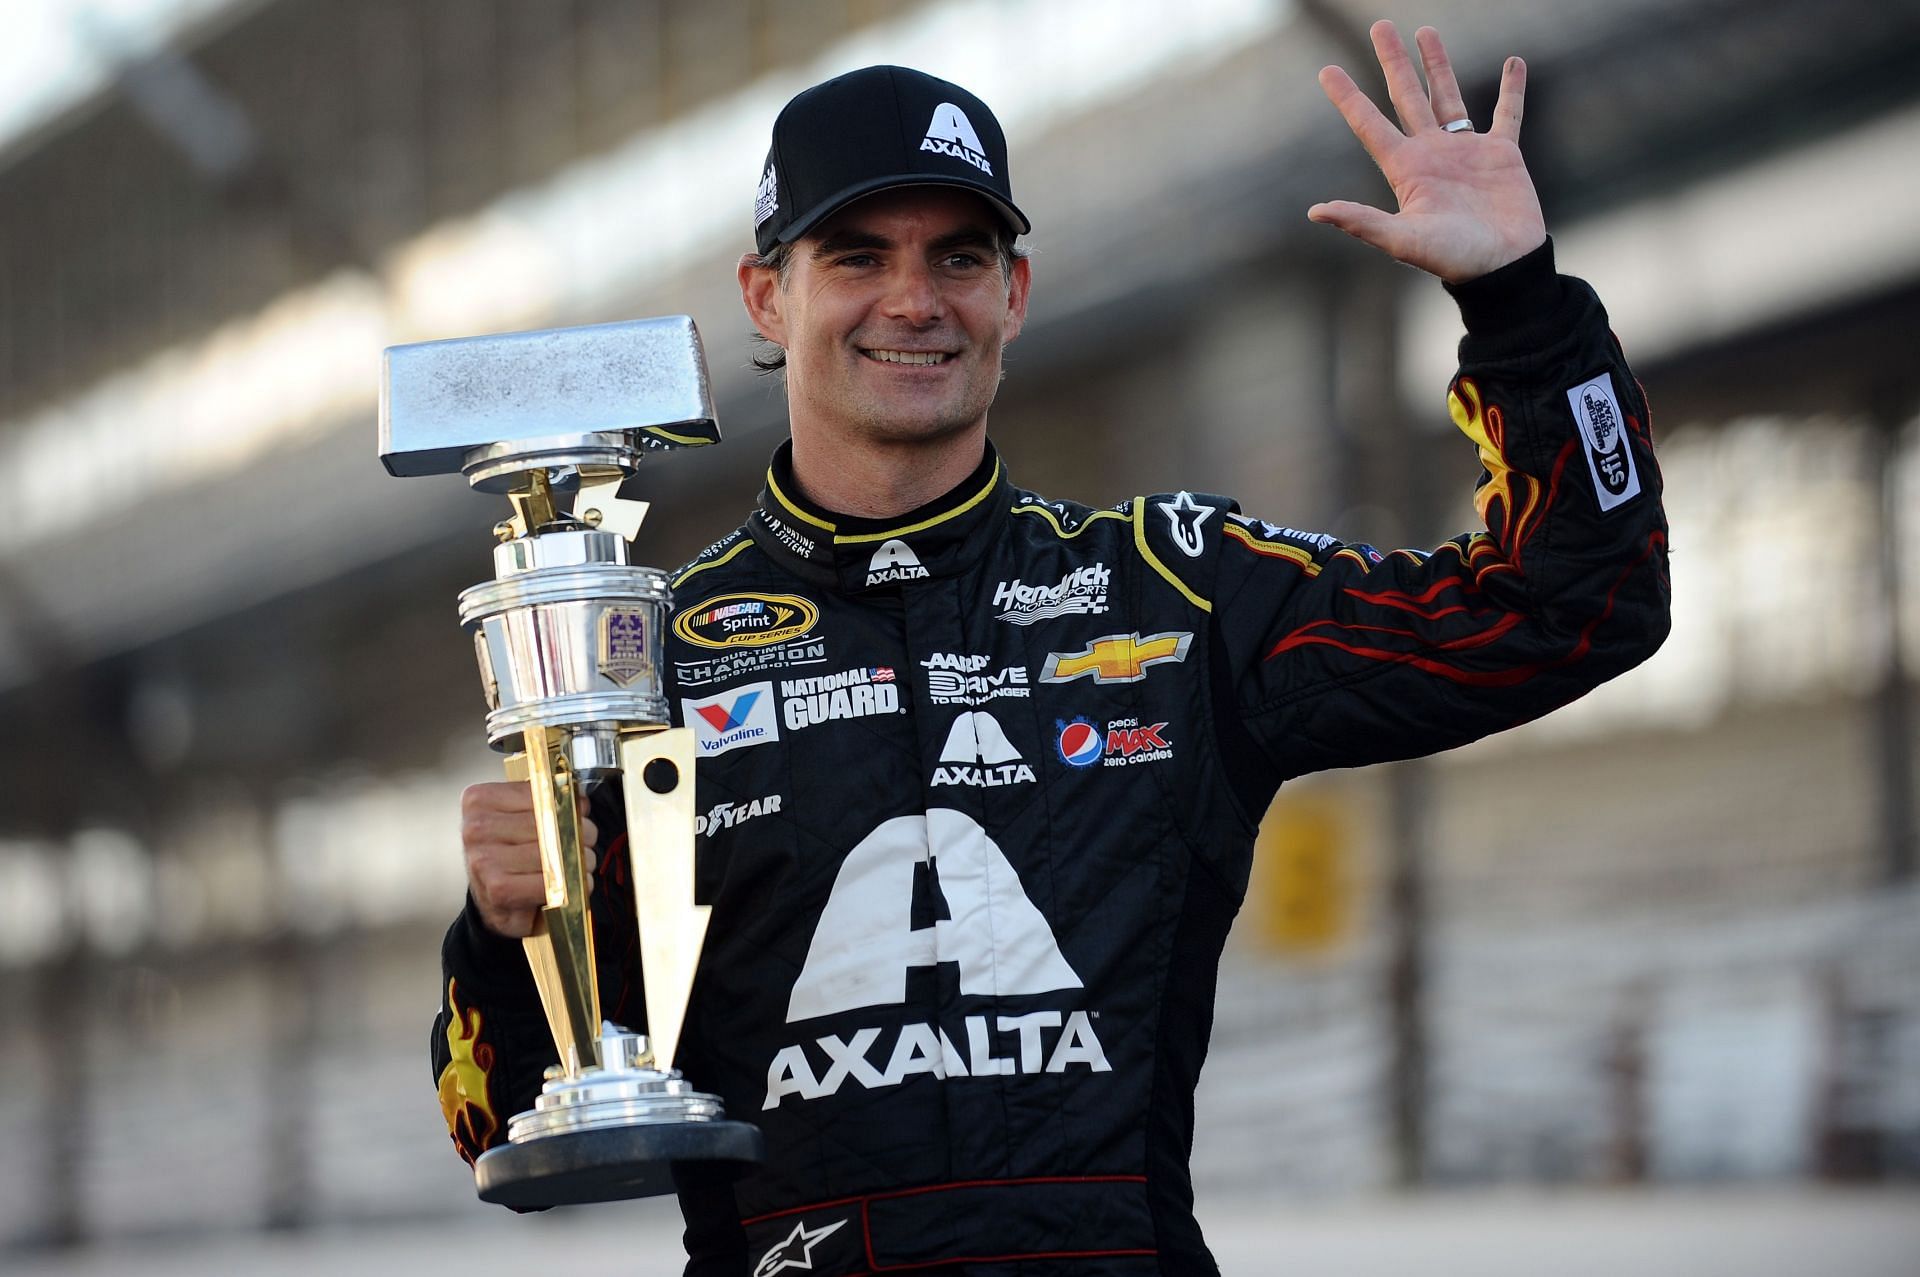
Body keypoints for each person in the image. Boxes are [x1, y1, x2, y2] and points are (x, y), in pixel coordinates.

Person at [433, 22, 1670, 1276]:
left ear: (1015, 294)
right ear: (768, 293)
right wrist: (504, 927)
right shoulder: (643, 664)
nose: (915, 300)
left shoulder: (1176, 588)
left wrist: (1517, 302)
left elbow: (1572, 605)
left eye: (959, 256)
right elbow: (495, 1124)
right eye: (858, 255)